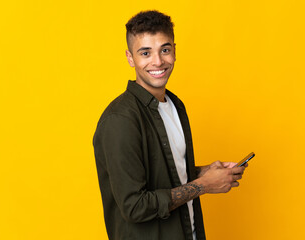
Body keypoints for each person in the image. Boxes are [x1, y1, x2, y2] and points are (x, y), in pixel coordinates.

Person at [93, 10, 247, 240]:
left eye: (164, 50)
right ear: (130, 57)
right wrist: (203, 185)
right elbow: (134, 206)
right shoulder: (120, 120)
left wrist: (203, 172)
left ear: (174, 50)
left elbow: (161, 177)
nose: (158, 61)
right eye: (145, 53)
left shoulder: (175, 105)